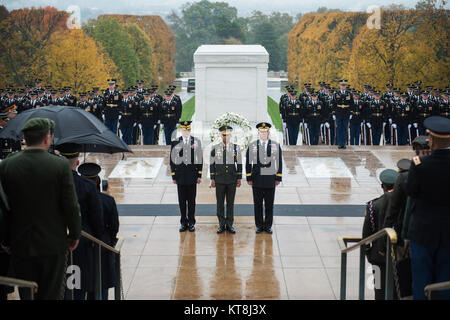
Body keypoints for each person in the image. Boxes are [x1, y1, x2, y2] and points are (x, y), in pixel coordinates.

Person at [0, 118, 81, 300]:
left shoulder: (7, 164)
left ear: (24, 138)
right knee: (51, 293)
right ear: (47, 138)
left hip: (20, 243)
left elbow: (4, 209)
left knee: (27, 292)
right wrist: (75, 233)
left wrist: (5, 239)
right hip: (53, 243)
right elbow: (70, 205)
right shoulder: (59, 164)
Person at [406, 116, 450, 300]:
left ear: (431, 140)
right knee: (445, 282)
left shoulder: (420, 165)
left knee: (421, 281)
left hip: (423, 232)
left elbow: (411, 191)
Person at [56, 143, 104, 300]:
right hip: (82, 240)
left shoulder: (50, 182)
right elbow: (97, 218)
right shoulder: (88, 186)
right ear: (77, 163)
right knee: (76, 285)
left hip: (54, 239)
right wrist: (98, 237)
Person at [78, 163, 119, 300]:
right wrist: (111, 242)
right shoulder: (108, 200)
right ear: (98, 181)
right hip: (102, 246)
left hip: (81, 248)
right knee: (101, 288)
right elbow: (114, 226)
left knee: (78, 288)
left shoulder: (76, 199)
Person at [362, 169, 399, 300]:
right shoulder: (403, 203)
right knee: (398, 290)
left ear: (382, 185)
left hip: (378, 257)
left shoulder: (373, 205)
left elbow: (366, 234)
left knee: (379, 290)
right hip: (399, 255)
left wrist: (369, 253)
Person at [246, 122, 282, 234]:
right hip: (257, 179)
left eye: (265, 132)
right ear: (258, 133)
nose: (263, 134)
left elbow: (279, 162)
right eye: (261, 132)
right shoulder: (252, 146)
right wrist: (248, 177)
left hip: (270, 179)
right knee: (257, 204)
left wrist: (278, 177)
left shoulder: (275, 146)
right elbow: (248, 163)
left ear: (268, 133)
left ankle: (268, 225)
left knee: (269, 204)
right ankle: (259, 225)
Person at [170, 121, 203, 232]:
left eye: (187, 130)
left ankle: (191, 222)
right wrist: (174, 176)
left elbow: (199, 159)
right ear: (181, 130)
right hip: (180, 176)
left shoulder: (196, 142)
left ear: (190, 130)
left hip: (192, 176)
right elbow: (172, 160)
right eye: (184, 130)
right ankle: (183, 222)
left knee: (192, 201)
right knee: (182, 201)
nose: (186, 132)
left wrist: (199, 174)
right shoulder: (175, 142)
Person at [210, 126, 242, 234]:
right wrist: (212, 178)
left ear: (231, 135)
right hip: (219, 180)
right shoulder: (215, 148)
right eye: (224, 135)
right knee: (220, 203)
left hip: (231, 179)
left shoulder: (236, 148)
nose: (225, 137)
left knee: (230, 203)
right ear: (221, 135)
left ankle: (229, 224)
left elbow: (239, 163)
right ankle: (221, 224)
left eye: (227, 135)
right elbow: (212, 164)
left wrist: (239, 178)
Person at [333, 79, 353, 149]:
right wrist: (333, 113)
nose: (343, 87)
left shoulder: (349, 94)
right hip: (338, 113)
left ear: (346, 86)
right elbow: (333, 104)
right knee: (339, 129)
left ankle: (344, 143)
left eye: (344, 85)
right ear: (340, 86)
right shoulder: (336, 93)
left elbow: (352, 104)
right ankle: (339, 143)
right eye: (342, 85)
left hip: (346, 113)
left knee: (345, 129)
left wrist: (351, 113)